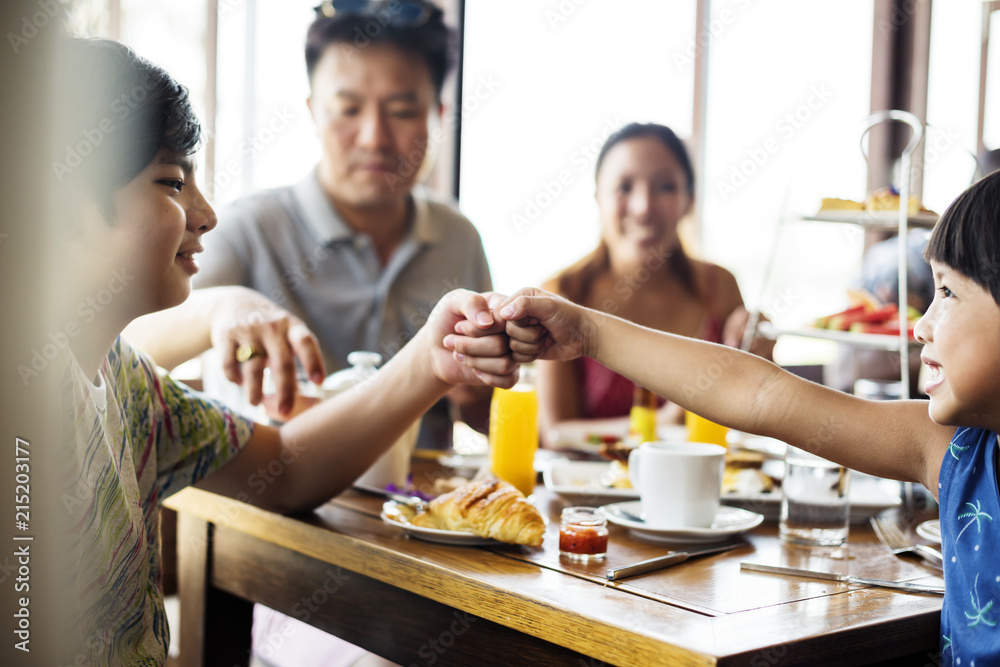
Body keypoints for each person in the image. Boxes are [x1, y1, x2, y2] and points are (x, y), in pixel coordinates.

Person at [49, 36, 514, 666]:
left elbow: (286, 468)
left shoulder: (124, 378)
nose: (206, 215)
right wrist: (223, 307)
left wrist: (432, 359)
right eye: (171, 181)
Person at [466, 170, 1000, 667]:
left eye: (948, 292)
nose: (919, 327)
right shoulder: (955, 452)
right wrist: (590, 334)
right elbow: (762, 394)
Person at [188, 0, 492, 446]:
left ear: (439, 116)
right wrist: (220, 308)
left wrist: (478, 393)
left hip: (415, 510)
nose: (374, 138)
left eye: (403, 111)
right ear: (313, 111)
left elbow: (486, 415)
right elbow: (132, 343)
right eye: (348, 109)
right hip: (271, 505)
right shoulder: (246, 229)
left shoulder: (458, 237)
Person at [536, 122, 773, 441]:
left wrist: (762, 358)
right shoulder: (563, 294)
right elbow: (555, 433)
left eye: (665, 187)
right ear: (598, 199)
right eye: (624, 187)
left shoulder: (721, 287)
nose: (644, 207)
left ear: (689, 200)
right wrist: (664, 423)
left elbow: (749, 413)